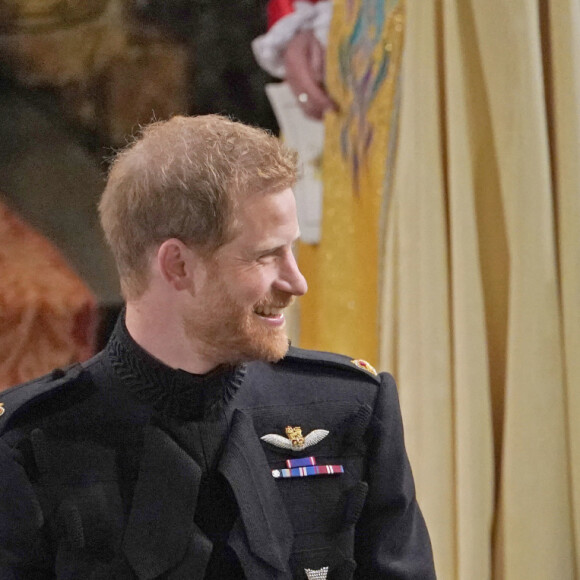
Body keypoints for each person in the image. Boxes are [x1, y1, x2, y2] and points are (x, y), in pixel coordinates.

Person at [0, 115, 435, 579]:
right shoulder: (26, 444)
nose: (297, 281)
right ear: (178, 266)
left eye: (292, 250)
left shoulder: (351, 409)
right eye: (267, 255)